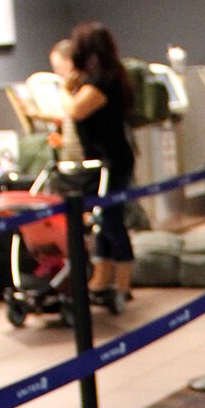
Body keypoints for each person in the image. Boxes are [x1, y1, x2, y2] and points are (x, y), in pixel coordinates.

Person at [61, 22, 136, 306]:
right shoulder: (110, 76)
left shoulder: (102, 81)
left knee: (112, 220)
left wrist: (63, 90)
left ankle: (123, 283)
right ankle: (103, 278)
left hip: (112, 161)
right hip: (101, 161)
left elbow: (76, 110)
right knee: (101, 221)